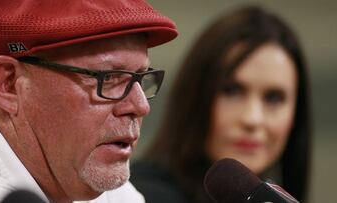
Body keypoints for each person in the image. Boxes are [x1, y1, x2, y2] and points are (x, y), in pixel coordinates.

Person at [0, 0, 177, 202]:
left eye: (140, 77)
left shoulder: (99, 186)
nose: (141, 106)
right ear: (8, 84)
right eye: (107, 77)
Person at [131, 5, 311, 203]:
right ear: (195, 96)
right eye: (232, 91)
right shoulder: (141, 196)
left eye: (274, 98)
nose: (252, 118)